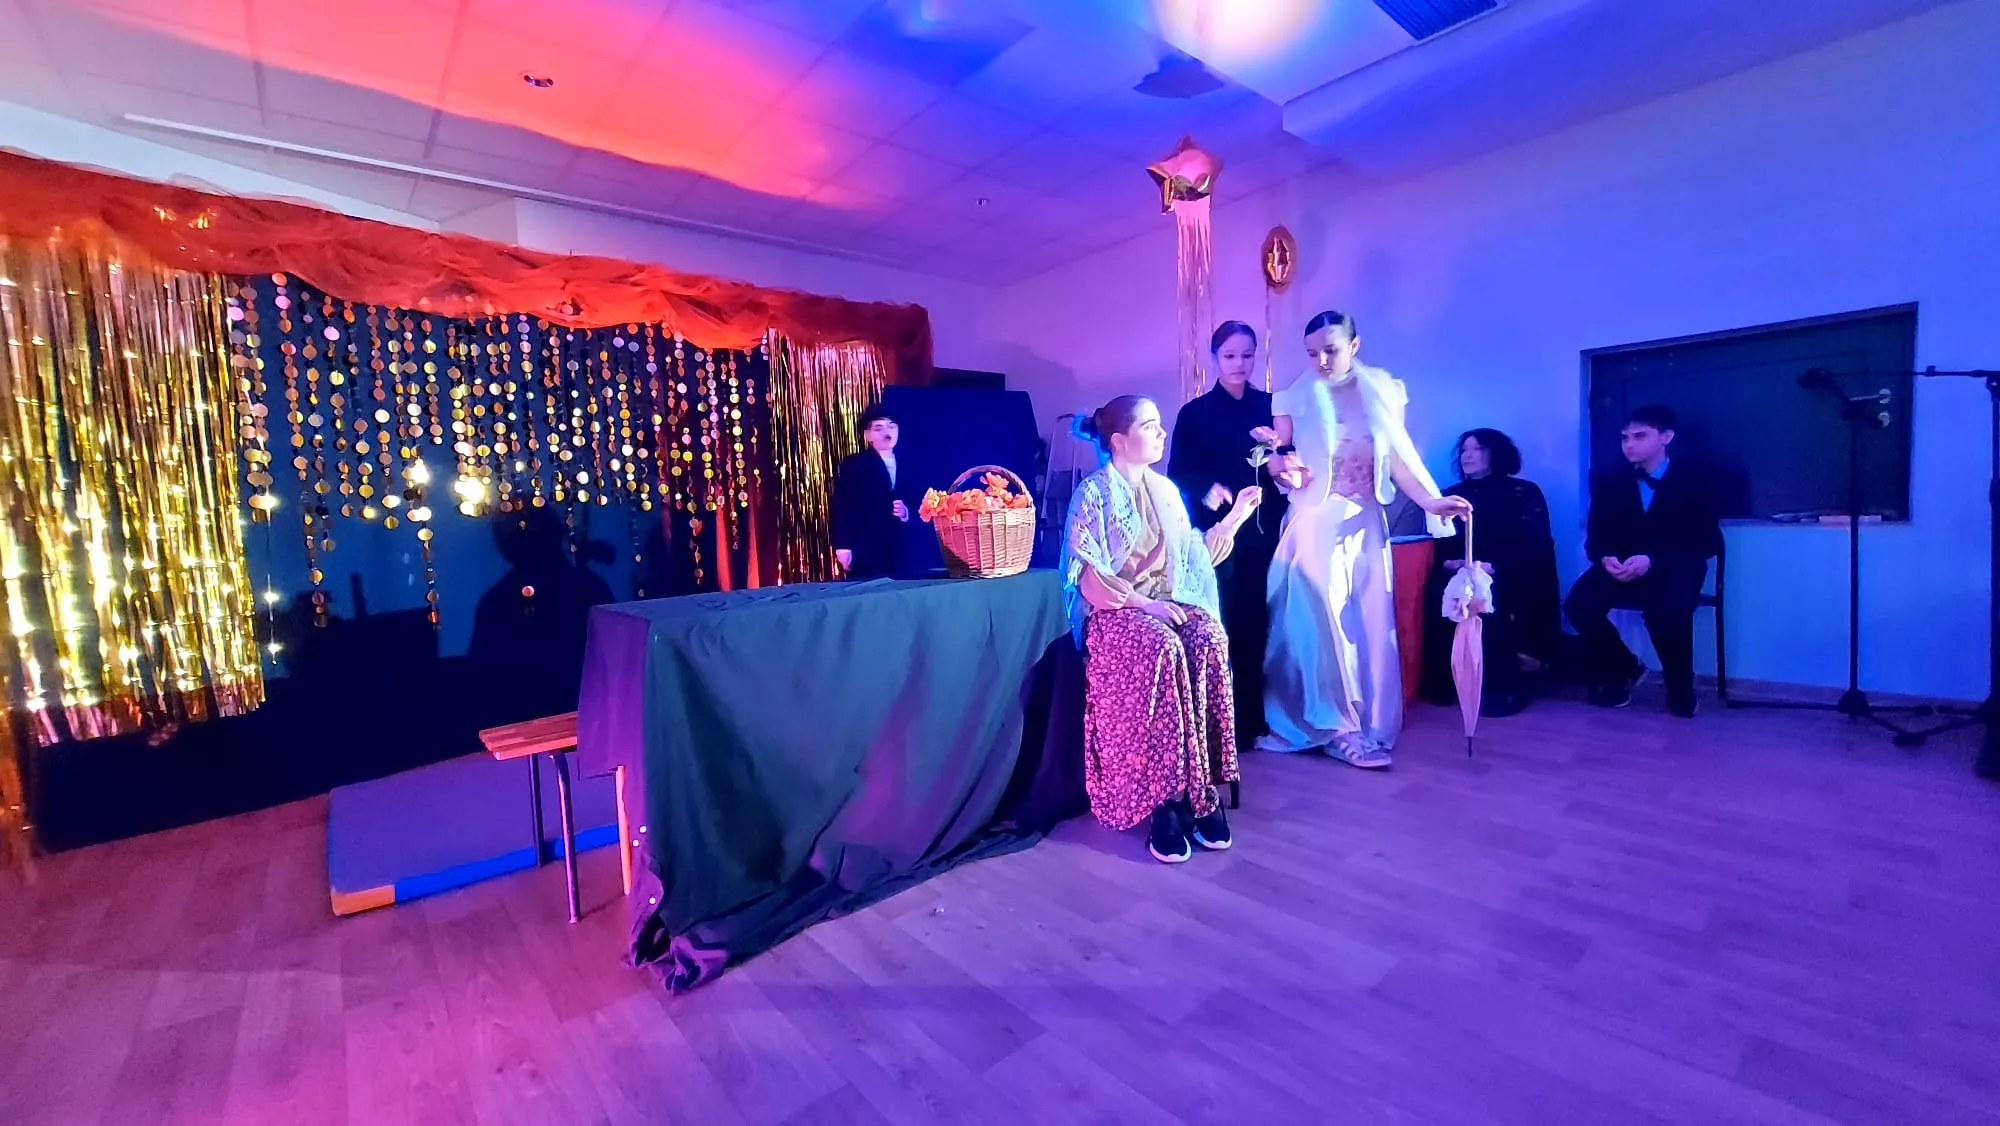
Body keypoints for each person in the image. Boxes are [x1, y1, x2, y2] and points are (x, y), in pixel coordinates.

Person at [1256, 311, 1471, 768]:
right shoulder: (1294, 396)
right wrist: (1279, 468)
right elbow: (1273, 454)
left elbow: (1397, 457)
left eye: (1330, 350)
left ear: (1354, 346)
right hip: (1316, 518)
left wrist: (1431, 501)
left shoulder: (1384, 391)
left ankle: (1366, 722)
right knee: (1323, 624)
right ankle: (1334, 727)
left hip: (1367, 519)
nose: (1321, 361)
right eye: (1312, 353)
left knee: (1368, 621)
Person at [1062, 395, 1262, 864]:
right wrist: (1143, 605)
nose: (1161, 433)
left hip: (1164, 603)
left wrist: (1234, 518)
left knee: (1208, 637)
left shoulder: (1166, 492)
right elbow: (1087, 575)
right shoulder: (1093, 493)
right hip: (1115, 612)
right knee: (1162, 646)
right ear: (1119, 440)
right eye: (1150, 426)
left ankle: (1201, 789)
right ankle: (1163, 802)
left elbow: (1194, 559)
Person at [1167, 321, 1286, 741]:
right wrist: (1207, 489)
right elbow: (1179, 471)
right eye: (1230, 355)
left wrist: (1282, 464)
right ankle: (1217, 721)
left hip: (1264, 527)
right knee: (1222, 620)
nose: (1239, 364)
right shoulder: (1194, 413)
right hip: (1218, 533)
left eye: (1247, 355)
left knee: (1258, 619)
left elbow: (1288, 460)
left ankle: (1252, 718)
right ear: (1215, 357)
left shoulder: (1270, 406)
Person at [1564, 404, 1721, 717]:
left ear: (1666, 437)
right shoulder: (1611, 481)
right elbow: (1596, 535)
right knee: (1578, 605)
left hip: (1676, 567)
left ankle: (1680, 688)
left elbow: (1705, 539)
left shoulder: (1695, 480)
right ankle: (1625, 665)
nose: (1629, 445)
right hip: (1623, 567)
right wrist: (1605, 557)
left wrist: (1653, 559)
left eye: (1639, 436)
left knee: (1665, 612)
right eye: (1624, 438)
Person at [1423, 429, 1563, 717]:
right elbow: (1437, 544)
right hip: (1459, 570)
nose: (1468, 456)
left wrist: (1493, 566)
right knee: (1436, 592)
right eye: (1464, 450)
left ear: (1496, 453)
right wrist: (1451, 563)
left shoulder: (1523, 492)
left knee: (1490, 598)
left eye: (1477, 449)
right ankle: (1445, 680)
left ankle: (1506, 686)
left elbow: (1536, 544)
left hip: (1509, 571)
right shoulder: (1450, 496)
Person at [831, 403, 912, 579]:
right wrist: (843, 546)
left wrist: (906, 512)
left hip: (901, 549)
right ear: (867, 435)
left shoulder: (909, 464)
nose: (887, 433)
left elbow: (918, 499)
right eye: (879, 428)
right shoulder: (855, 464)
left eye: (891, 426)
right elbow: (842, 505)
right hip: (866, 546)